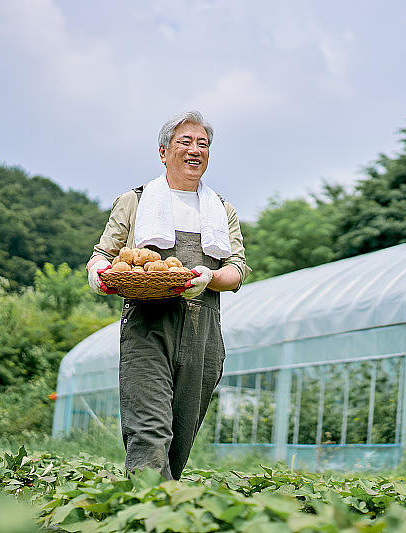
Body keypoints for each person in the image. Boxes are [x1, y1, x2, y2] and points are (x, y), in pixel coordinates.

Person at [86, 110, 250, 479]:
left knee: (181, 433)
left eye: (203, 144)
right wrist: (97, 273)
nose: (195, 150)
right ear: (163, 152)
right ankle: (150, 502)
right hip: (149, 323)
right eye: (185, 142)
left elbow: (236, 270)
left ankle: (162, 499)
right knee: (149, 428)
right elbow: (102, 254)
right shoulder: (135, 201)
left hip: (203, 329)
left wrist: (210, 276)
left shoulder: (222, 210)